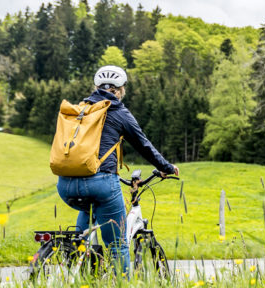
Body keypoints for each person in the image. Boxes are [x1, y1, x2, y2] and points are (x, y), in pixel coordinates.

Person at [56, 64, 178, 275]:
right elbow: (143, 145)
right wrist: (166, 167)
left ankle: (81, 269)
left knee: (84, 234)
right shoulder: (119, 111)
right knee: (117, 245)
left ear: (95, 86)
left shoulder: (80, 109)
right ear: (120, 90)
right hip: (101, 182)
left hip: (65, 183)